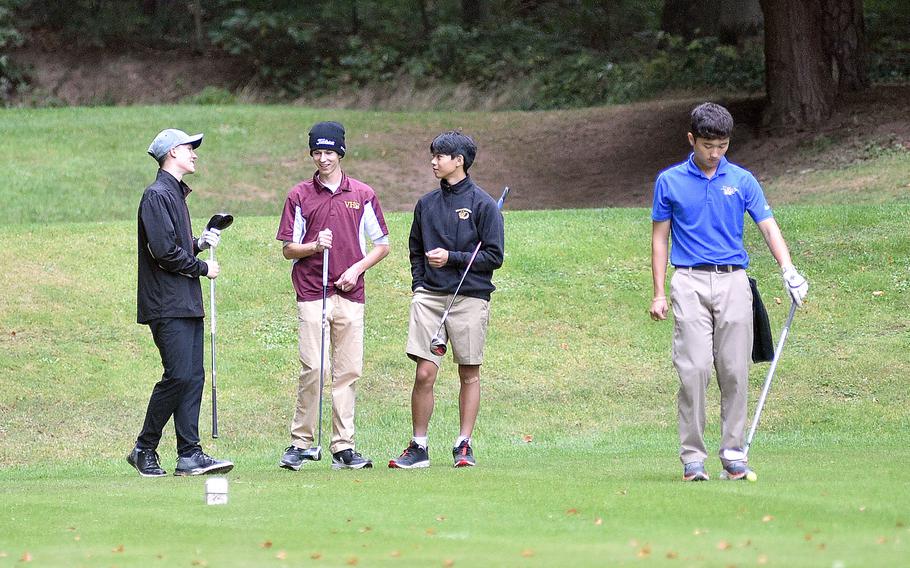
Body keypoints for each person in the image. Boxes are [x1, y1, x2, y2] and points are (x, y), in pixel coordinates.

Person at [649, 103, 809, 481]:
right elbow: (659, 239)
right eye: (708, 145)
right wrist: (659, 293)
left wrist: (788, 270)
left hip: (734, 280)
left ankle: (733, 453)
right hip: (688, 280)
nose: (715, 153)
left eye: (722, 145)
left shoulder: (742, 180)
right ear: (692, 140)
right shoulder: (669, 181)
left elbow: (768, 227)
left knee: (735, 370)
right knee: (695, 370)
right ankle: (692, 457)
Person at [276, 121, 390, 471]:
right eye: (317, 152)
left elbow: (382, 245)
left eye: (328, 152)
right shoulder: (299, 195)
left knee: (348, 371)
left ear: (340, 152)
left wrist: (356, 269)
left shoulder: (362, 194)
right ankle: (301, 442)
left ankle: (343, 446)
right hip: (313, 290)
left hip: (349, 291)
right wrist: (313, 246)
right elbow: (288, 250)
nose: (323, 158)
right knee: (314, 367)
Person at [389, 131, 504, 469]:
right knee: (425, 372)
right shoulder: (425, 204)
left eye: (440, 156)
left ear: (459, 161)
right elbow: (414, 249)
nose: (433, 161)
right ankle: (419, 446)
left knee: (469, 371)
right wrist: (419, 285)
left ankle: (463, 444)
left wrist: (451, 257)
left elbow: (494, 256)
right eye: (434, 155)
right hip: (430, 297)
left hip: (470, 297)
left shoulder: (483, 204)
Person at [129, 128, 234, 477]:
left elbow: (175, 244)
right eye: (190, 148)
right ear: (172, 152)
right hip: (166, 303)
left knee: (193, 376)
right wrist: (203, 267)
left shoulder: (174, 194)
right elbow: (162, 252)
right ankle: (144, 447)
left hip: (185, 302)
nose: (195, 154)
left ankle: (189, 454)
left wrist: (199, 243)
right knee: (177, 376)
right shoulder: (156, 195)